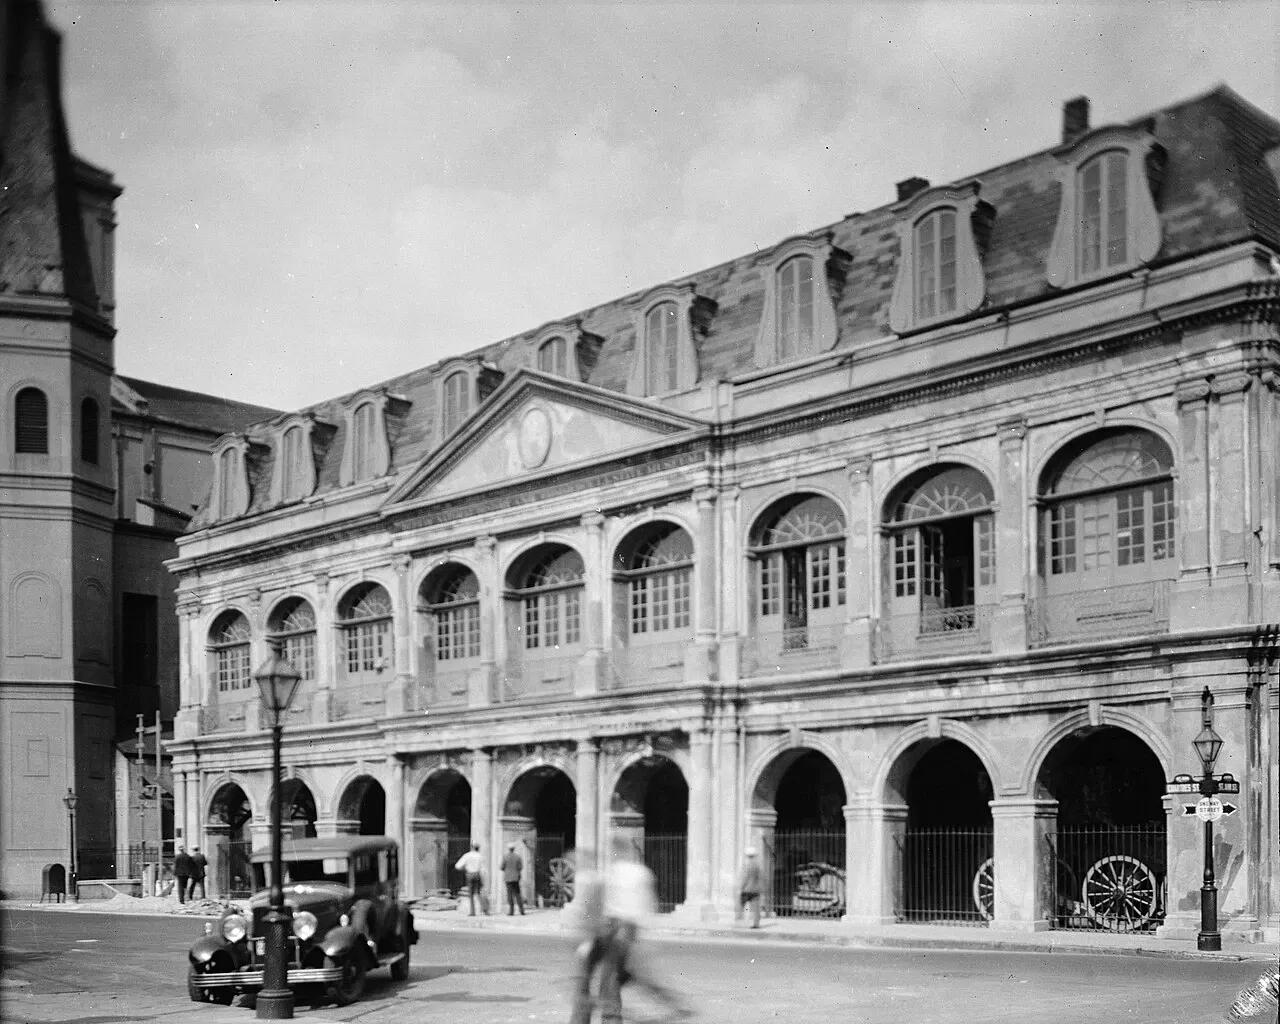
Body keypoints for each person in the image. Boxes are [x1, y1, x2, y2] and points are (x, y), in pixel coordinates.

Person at [593, 834, 692, 1024]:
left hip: (618, 927)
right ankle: (670, 1003)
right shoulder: (642, 872)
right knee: (625, 974)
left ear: (616, 852)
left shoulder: (614, 872)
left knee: (611, 976)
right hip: (632, 928)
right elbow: (649, 903)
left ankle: (611, 1018)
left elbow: (608, 904)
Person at [455, 842, 486, 916]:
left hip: (470, 874)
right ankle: (485, 910)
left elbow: (458, 866)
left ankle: (473, 912)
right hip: (477, 874)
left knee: (471, 894)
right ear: (478, 848)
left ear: (472, 847)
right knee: (478, 892)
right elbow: (483, 869)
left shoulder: (467, 855)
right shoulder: (480, 856)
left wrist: (465, 869)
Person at [737, 847, 762, 929]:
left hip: (747, 889)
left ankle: (738, 921)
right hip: (755, 889)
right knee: (756, 908)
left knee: (741, 905)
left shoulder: (747, 865)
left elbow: (745, 878)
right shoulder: (757, 865)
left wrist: (741, 887)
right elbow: (760, 877)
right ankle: (756, 924)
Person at [501, 842, 526, 916]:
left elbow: (502, 867)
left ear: (509, 849)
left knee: (510, 894)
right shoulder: (518, 857)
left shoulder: (505, 857)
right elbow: (520, 867)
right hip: (516, 877)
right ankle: (521, 910)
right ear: (514, 849)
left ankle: (511, 911)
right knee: (518, 894)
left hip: (508, 878)